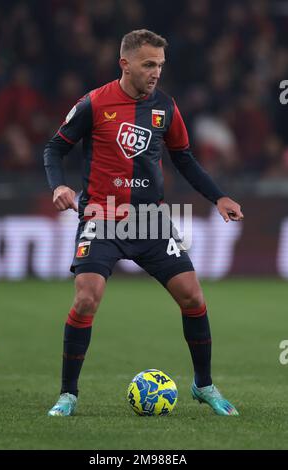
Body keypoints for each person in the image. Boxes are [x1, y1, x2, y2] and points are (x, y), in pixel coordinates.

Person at [44, 29, 243, 417]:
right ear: (125, 64)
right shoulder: (94, 103)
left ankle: (203, 385)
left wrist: (218, 196)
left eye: (160, 65)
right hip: (102, 216)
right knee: (86, 298)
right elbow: (55, 147)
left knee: (193, 297)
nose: (156, 72)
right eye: (148, 64)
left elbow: (184, 159)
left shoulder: (165, 107)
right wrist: (58, 186)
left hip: (150, 220)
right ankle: (68, 394)